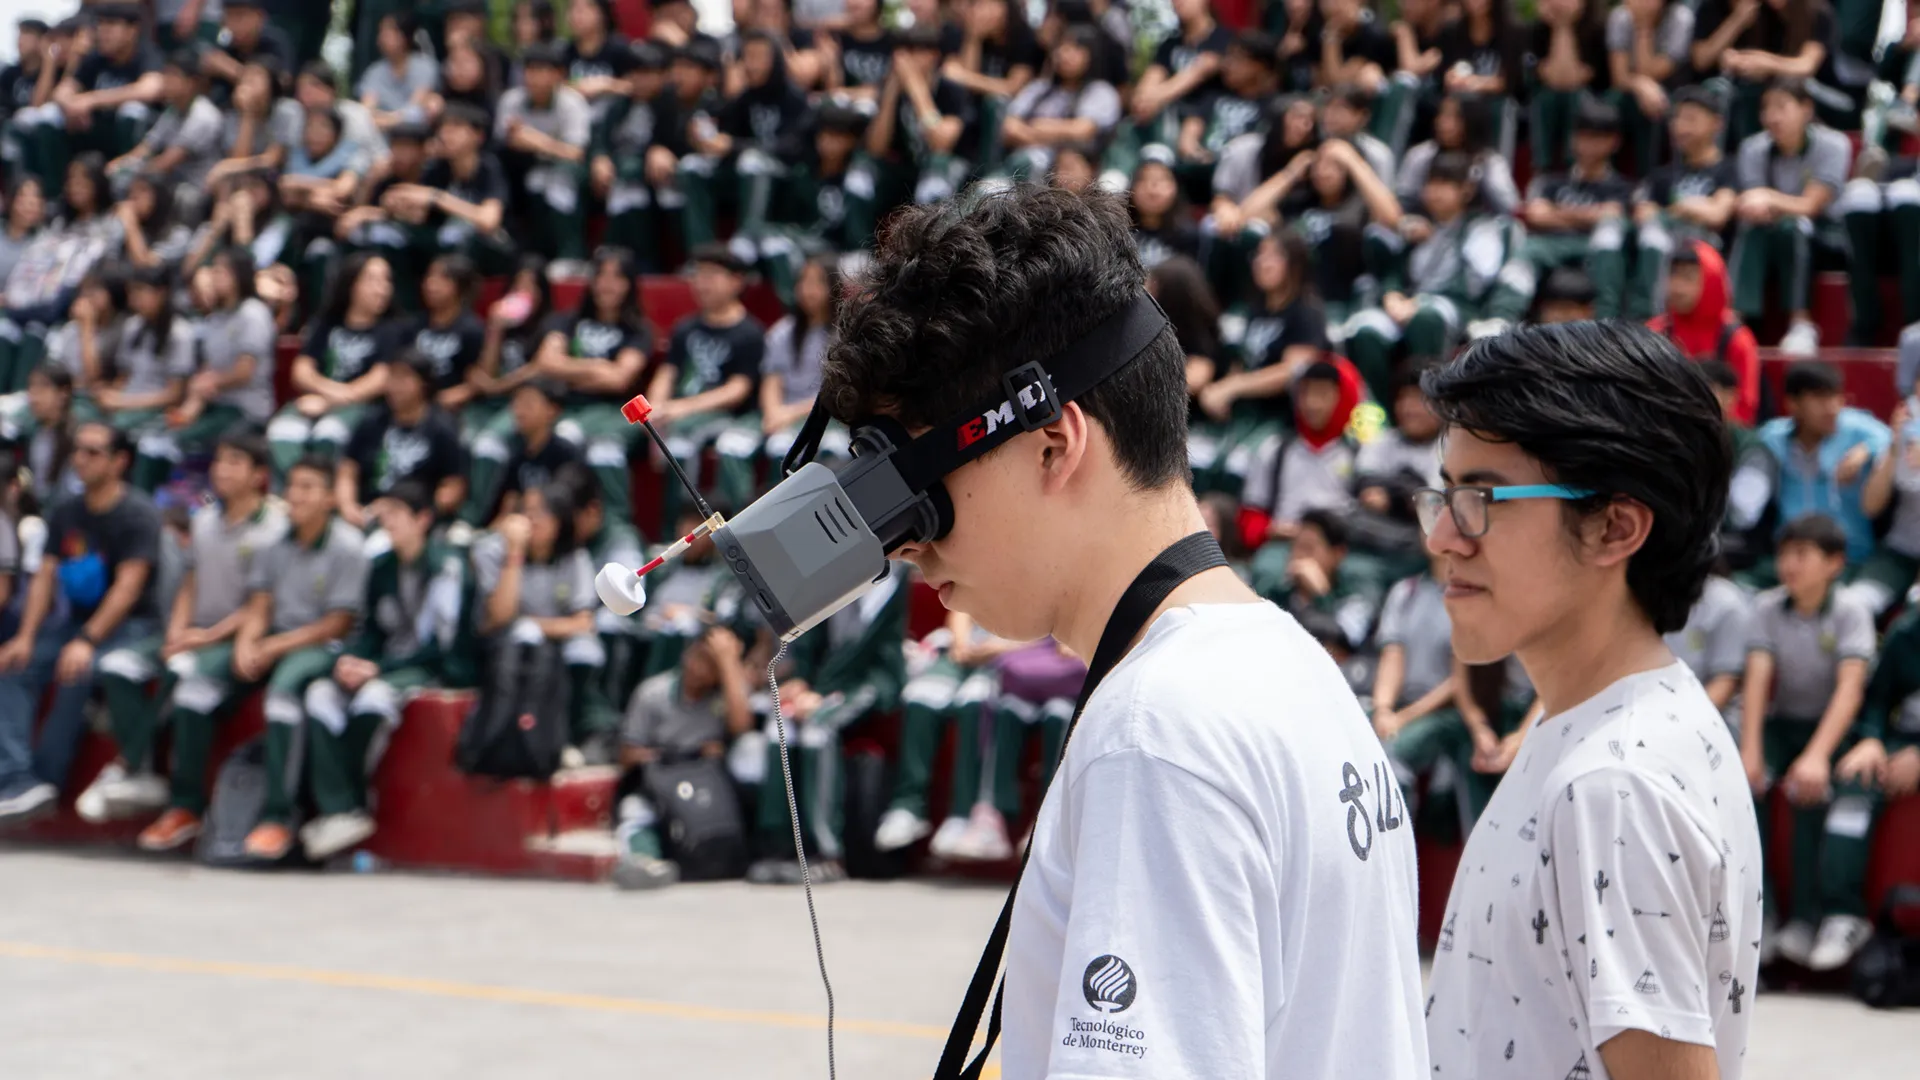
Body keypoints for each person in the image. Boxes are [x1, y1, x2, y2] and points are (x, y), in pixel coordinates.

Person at [822, 185, 1426, 1076]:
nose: (907, 544)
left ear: (1053, 446)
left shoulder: (1156, 732)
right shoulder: (1285, 661)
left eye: (921, 492)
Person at [1418, 321, 1760, 1079]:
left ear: (1616, 526)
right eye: (1443, 496)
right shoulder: (1599, 722)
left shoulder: (1614, 784)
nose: (1444, 535)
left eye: (1482, 498)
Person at [89, 429, 286, 846]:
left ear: (259, 475)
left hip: (237, 639)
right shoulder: (204, 519)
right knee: (117, 666)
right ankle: (140, 771)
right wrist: (179, 629)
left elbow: (262, 605)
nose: (223, 470)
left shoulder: (275, 527)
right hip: (193, 632)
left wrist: (206, 636)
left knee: (191, 688)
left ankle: (185, 806)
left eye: (236, 462)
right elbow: (190, 583)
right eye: (220, 461)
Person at [300, 481, 477, 861]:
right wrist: (350, 661)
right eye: (384, 513)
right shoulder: (381, 566)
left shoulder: (448, 567)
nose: (387, 521)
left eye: (397, 513)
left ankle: (352, 802)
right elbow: (371, 633)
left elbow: (440, 646)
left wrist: (375, 668)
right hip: (384, 664)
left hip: (432, 668)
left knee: (373, 699)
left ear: (423, 519)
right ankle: (338, 809)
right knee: (321, 695)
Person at [1740, 512, 1883, 971]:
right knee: (1743, 787)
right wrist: (1751, 751)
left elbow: (1850, 689)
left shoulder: (1850, 610)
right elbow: (1758, 681)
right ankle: (1761, 916)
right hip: (1784, 724)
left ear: (1834, 564)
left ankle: (1810, 916)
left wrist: (1818, 756)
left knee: (1811, 788)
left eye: (1802, 554)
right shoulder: (1766, 606)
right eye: (1784, 554)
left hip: (1834, 727)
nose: (1789, 565)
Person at [0, 422, 162, 825]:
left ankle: (46, 780)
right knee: (14, 665)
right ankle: (19, 779)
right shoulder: (67, 511)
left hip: (131, 627)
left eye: (93, 452)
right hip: (72, 625)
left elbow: (127, 590)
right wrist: (25, 636)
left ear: (120, 462)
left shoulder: (138, 514)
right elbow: (45, 577)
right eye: (78, 450)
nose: (81, 459)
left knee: (75, 672)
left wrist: (87, 641)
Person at [219, 454, 370, 861]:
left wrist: (270, 647)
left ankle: (277, 817)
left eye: (308, 488)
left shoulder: (348, 547)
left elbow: (336, 625)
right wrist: (246, 644)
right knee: (196, 680)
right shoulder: (273, 543)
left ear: (329, 499)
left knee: (283, 693)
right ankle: (185, 805)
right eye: (293, 486)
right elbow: (259, 604)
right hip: (276, 639)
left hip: (327, 648)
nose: (297, 496)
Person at [612, 624, 753, 889]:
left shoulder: (724, 695)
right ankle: (643, 861)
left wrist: (728, 662)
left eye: (711, 664)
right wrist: (681, 753)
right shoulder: (653, 692)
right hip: (662, 778)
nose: (700, 669)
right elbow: (627, 754)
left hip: (706, 782)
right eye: (699, 657)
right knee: (635, 810)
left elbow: (742, 726)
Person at [1729, 77, 1849, 358]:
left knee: (1796, 225)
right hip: (1770, 230)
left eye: (1781, 107)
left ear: (1806, 109)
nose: (1771, 117)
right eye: (1766, 108)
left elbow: (1811, 205)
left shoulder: (1834, 144)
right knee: (1751, 227)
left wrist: (1769, 198)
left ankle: (1801, 322)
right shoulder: (1753, 148)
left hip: (1825, 235)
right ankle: (1735, 320)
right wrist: (1760, 205)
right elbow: (1750, 202)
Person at [646, 244, 763, 525]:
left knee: (720, 445)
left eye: (711, 275)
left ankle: (738, 528)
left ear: (736, 281)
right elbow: (667, 373)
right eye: (698, 275)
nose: (702, 283)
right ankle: (672, 531)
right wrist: (654, 410)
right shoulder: (686, 328)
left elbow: (737, 390)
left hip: (729, 418)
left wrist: (680, 409)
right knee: (675, 445)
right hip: (682, 415)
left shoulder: (750, 332)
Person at [268, 251, 406, 477]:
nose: (381, 288)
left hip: (364, 407)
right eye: (372, 280)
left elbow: (380, 379)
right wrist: (329, 393)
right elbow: (301, 371)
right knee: (282, 432)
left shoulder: (392, 329)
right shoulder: (327, 323)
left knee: (329, 433)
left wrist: (330, 401)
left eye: (386, 281)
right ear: (351, 283)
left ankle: (323, 497)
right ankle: (292, 496)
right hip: (321, 398)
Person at [1757, 361, 1890, 570]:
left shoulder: (1856, 429)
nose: (1832, 408)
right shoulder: (1773, 437)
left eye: (1836, 397)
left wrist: (1866, 450)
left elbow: (1893, 437)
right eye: (1820, 398)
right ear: (1793, 403)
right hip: (1787, 557)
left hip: (1848, 558)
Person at [1630, 85, 1738, 319]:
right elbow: (1643, 213)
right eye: (1676, 119)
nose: (1680, 127)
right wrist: (1691, 208)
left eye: (1690, 119)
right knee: (1650, 237)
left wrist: (1675, 210)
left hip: (1707, 254)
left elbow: (1718, 214)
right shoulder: (1663, 175)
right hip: (1667, 253)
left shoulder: (1728, 169)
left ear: (1716, 124)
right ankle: (1651, 320)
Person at [1520, 96, 1632, 319]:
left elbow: (1611, 215)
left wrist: (1558, 213)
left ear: (1614, 141)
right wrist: (1589, 216)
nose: (1588, 145)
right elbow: (1535, 214)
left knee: (1609, 234)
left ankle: (1604, 320)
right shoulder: (1551, 182)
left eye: (1597, 138)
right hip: (1551, 248)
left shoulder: (1623, 187)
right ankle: (1503, 318)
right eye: (1583, 136)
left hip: (1596, 250)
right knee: (1526, 248)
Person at [338, 349, 468, 528]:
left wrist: (423, 516)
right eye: (392, 377)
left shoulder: (442, 429)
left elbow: (453, 487)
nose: (395, 385)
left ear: (424, 383)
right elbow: (348, 470)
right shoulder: (373, 421)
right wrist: (348, 506)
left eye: (404, 378)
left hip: (415, 518)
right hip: (367, 511)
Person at [1647, 241, 1761, 425]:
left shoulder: (1737, 339)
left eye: (1688, 278)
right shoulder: (1655, 332)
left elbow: (1745, 409)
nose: (1677, 286)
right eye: (1673, 275)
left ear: (1712, 280)